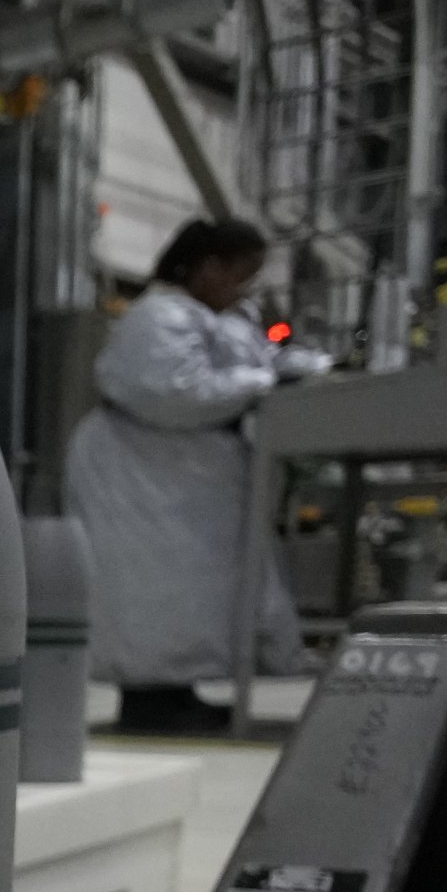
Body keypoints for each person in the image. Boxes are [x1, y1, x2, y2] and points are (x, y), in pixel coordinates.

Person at [63, 217, 312, 737]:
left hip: (175, 474)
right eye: (240, 274)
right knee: (153, 592)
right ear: (208, 267)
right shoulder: (160, 315)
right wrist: (264, 380)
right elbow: (173, 392)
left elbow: (249, 363)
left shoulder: (210, 318)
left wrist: (289, 368)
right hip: (142, 474)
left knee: (186, 592)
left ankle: (175, 691)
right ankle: (150, 699)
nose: (244, 288)